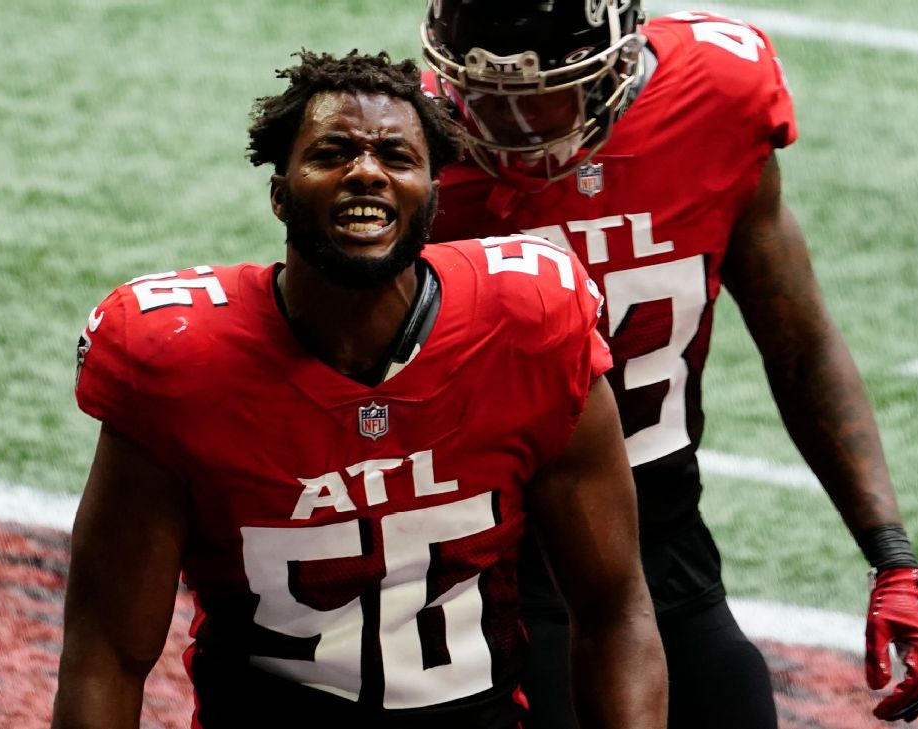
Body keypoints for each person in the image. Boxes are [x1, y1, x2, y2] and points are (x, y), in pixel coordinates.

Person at [51, 50, 667, 729]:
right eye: (334, 152)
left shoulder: (529, 324)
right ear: (280, 191)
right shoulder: (177, 359)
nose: (366, 171)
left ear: (433, 193)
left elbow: (615, 610)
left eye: (396, 156)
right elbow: (106, 653)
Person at [420, 1, 918, 726]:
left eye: (544, 95)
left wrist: (892, 553)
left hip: (664, 532)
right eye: (485, 98)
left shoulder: (714, 97)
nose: (513, 132)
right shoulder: (406, 157)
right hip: (490, 560)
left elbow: (798, 344)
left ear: (615, 58)